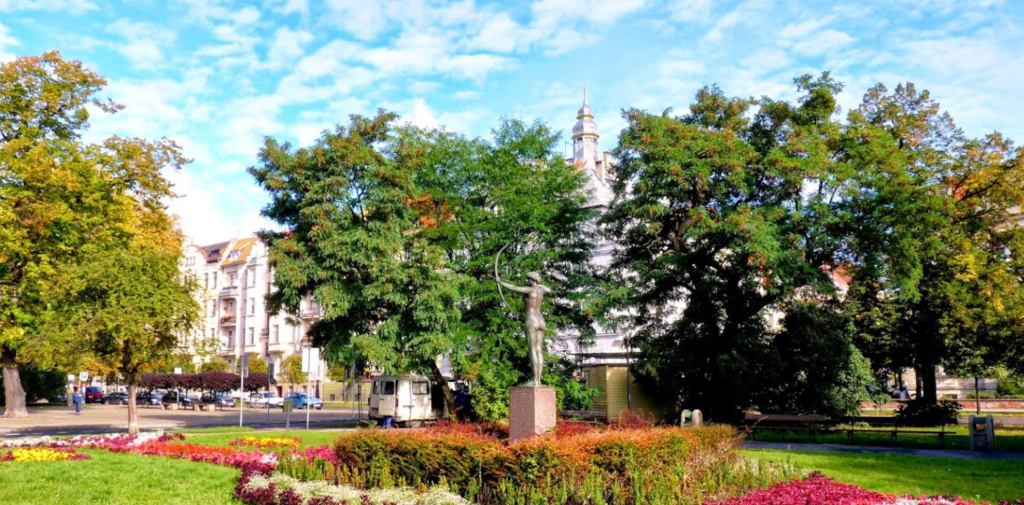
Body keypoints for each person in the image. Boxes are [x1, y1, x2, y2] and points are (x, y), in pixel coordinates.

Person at [496, 271, 552, 386]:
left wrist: (500, 282)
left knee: (532, 350)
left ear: (533, 280)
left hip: (531, 319)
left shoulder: (530, 290)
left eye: (528, 279)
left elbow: (514, 288)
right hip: (541, 320)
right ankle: (539, 380)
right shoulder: (541, 290)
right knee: (539, 350)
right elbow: (549, 289)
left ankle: (535, 380)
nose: (527, 281)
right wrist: (539, 285)